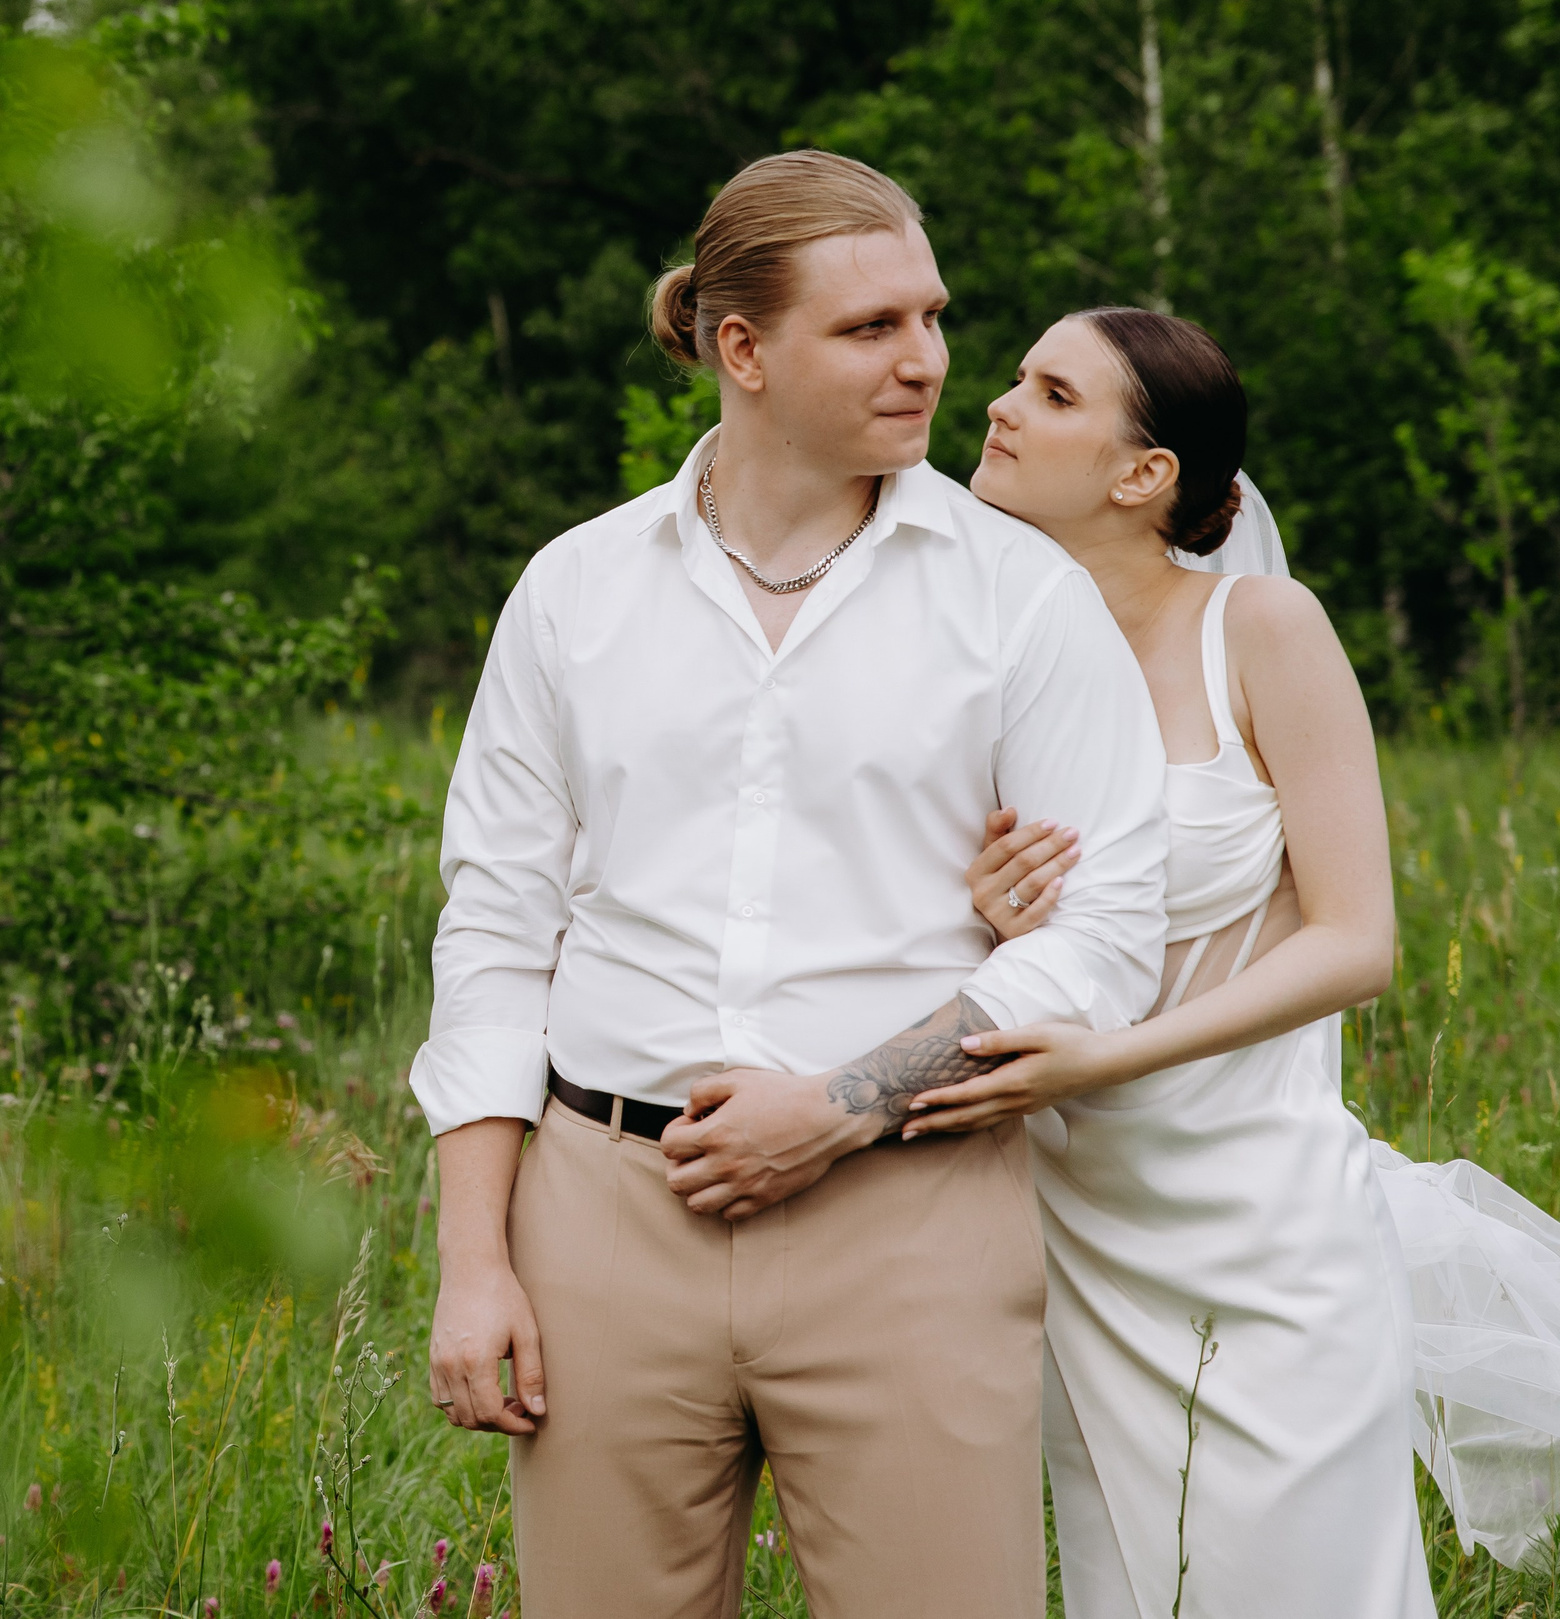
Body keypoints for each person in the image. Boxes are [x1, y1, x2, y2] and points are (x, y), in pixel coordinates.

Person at [409, 150, 1169, 1619]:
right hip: (606, 1219)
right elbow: (498, 925)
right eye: (873, 327)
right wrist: (473, 1261)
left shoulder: (1019, 599)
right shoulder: (574, 588)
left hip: (914, 1218)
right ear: (739, 349)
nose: (930, 361)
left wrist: (835, 1109)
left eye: (934, 318)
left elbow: (1104, 937)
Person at [900, 306, 1437, 1616]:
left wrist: (1105, 1057)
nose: (999, 406)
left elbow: (1358, 942)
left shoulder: (1262, 629)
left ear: (1146, 476)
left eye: (1052, 393)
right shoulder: (998, 658)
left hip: (1260, 1237)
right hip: (1084, 1232)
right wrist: (992, 916)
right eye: (1014, 380)